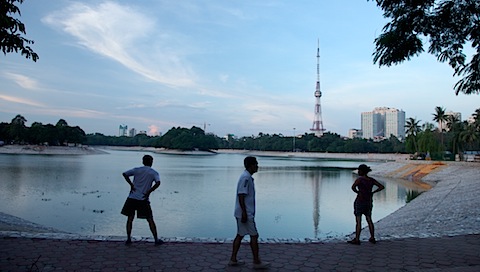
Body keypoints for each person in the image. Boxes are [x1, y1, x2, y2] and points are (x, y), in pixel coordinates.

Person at [229, 156, 270, 269]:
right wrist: (244, 213)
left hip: (244, 212)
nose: (257, 166)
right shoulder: (245, 178)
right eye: (255, 164)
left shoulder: (247, 177)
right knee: (254, 236)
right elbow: (241, 195)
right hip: (245, 213)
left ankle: (233, 259)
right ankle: (256, 262)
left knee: (240, 235)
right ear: (250, 165)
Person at [121, 154, 163, 246]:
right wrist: (149, 191)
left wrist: (131, 185)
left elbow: (124, 174)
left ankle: (128, 238)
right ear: (151, 162)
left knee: (130, 219)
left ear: (143, 162)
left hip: (132, 197)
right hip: (143, 199)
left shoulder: (137, 170)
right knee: (150, 219)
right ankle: (156, 239)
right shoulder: (153, 172)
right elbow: (158, 182)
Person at [348, 164, 385, 245]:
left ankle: (357, 239)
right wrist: (373, 192)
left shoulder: (359, 180)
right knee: (369, 219)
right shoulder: (371, 180)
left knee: (358, 221)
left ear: (361, 171)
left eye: (359, 170)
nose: (358, 172)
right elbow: (381, 187)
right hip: (368, 201)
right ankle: (372, 237)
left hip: (360, 201)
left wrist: (358, 192)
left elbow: (353, 187)